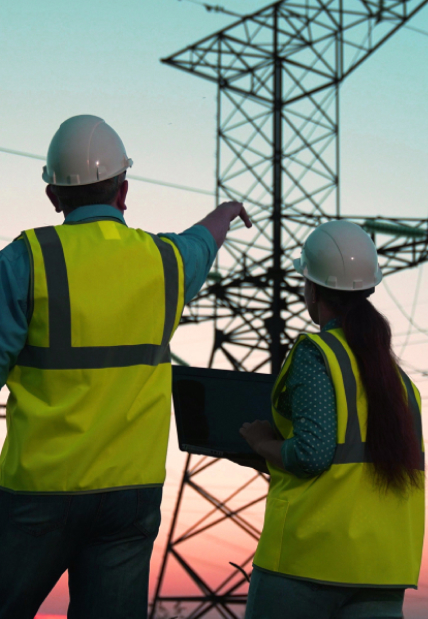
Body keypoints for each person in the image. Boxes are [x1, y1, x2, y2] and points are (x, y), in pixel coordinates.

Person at [0, 114, 251, 618]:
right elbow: (202, 242)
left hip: (39, 491)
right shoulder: (165, 263)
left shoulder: (28, 259)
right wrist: (224, 214)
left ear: (54, 197)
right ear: (124, 191)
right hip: (130, 496)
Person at [239, 220, 425, 619]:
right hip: (383, 569)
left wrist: (260, 443)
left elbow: (312, 454)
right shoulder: (401, 383)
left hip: (309, 562)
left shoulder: (317, 353)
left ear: (313, 287)